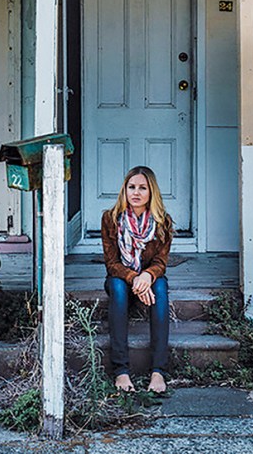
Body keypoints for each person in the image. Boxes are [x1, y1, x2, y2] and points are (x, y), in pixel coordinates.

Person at [101, 165, 173, 394]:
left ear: (151, 192)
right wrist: (135, 278)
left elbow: (160, 262)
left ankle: (158, 371)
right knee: (118, 288)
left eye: (143, 188)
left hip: (149, 278)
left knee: (160, 287)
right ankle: (121, 370)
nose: (136, 192)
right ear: (125, 190)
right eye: (131, 187)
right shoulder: (111, 218)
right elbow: (112, 263)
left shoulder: (163, 221)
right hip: (121, 277)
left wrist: (147, 276)